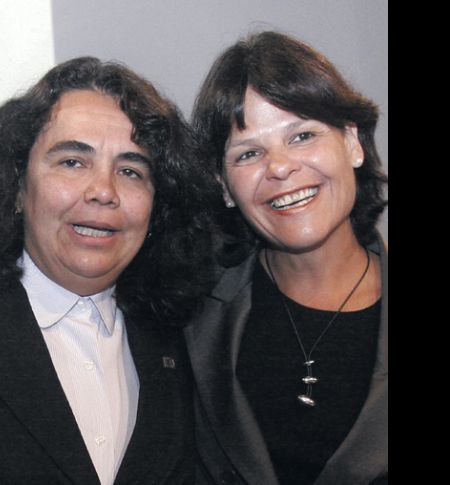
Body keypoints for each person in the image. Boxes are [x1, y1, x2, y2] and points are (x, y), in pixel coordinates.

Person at [0, 56, 216, 484]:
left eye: (130, 170)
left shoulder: (190, 340)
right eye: (72, 162)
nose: (103, 191)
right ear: (17, 187)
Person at [184, 30, 388, 485]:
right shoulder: (189, 312)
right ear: (223, 186)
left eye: (302, 136)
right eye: (249, 153)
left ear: (352, 142)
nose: (279, 167)